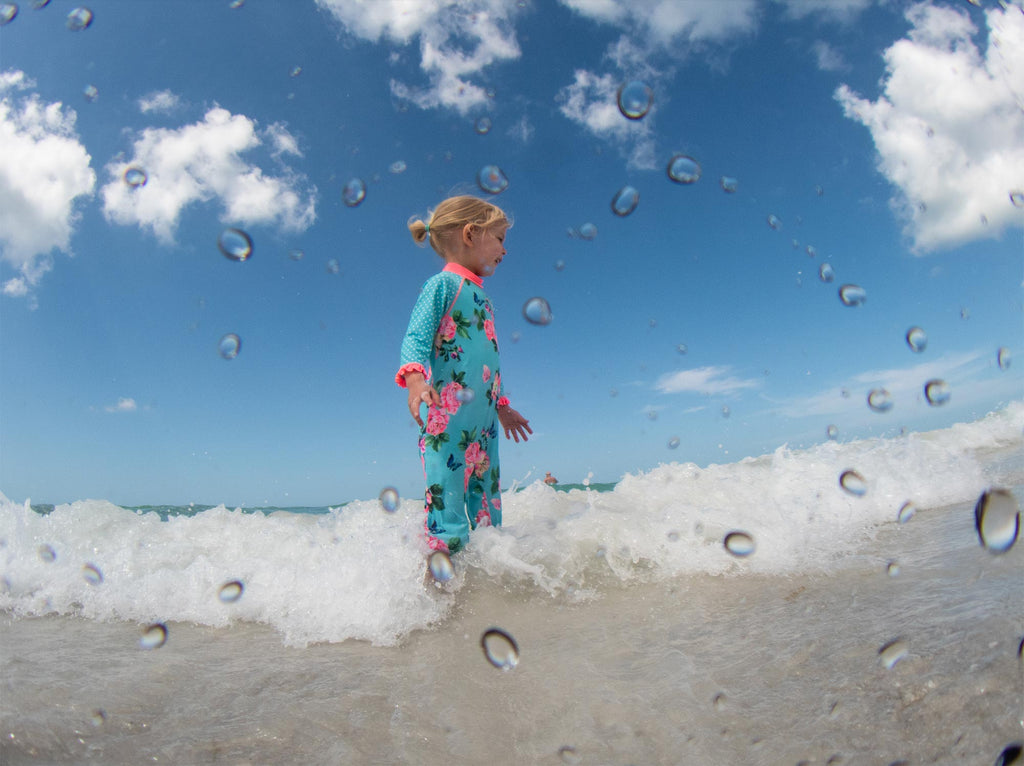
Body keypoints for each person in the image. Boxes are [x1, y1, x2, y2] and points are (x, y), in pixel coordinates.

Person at [396, 195, 532, 554]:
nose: (506, 249)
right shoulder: (442, 286)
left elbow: (487, 360)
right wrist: (415, 380)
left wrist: (502, 406)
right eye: (500, 238)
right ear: (472, 234)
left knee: (488, 512)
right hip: (448, 418)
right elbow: (416, 336)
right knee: (448, 509)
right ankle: (439, 592)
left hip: (484, 423)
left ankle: (486, 595)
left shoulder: (483, 299)